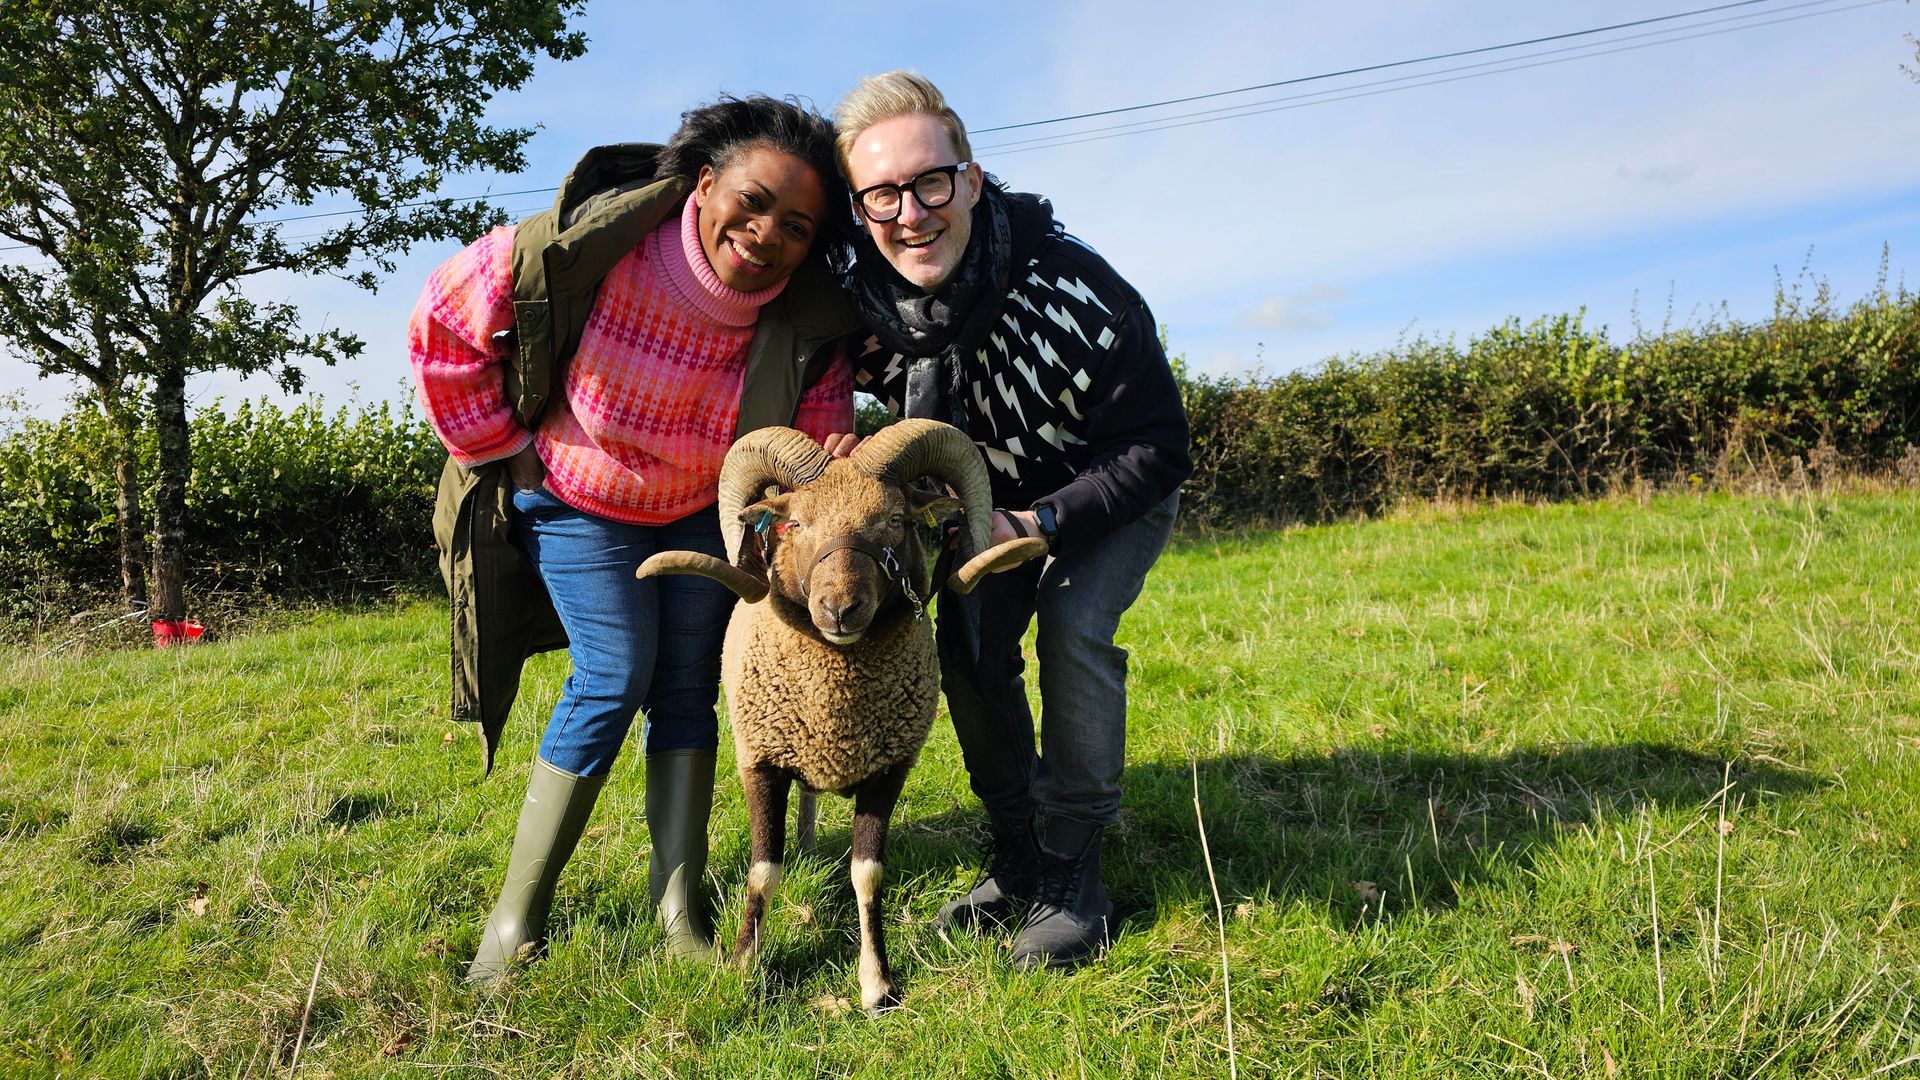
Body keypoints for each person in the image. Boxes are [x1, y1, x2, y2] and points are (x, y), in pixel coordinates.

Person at [409, 96, 858, 987]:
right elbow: (443, 324)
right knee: (615, 674)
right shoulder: (590, 247)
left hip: (702, 512)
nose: (767, 233)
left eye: (798, 226)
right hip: (579, 499)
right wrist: (504, 449)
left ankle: (680, 909)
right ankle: (515, 919)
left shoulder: (812, 319)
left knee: (687, 686)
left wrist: (823, 467)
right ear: (703, 184)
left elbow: (811, 437)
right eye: (755, 201)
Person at [830, 71, 1192, 969]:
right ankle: (1021, 850)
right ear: (859, 206)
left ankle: (1076, 865)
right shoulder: (861, 308)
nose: (910, 213)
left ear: (973, 177)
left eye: (930, 182)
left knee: (1073, 628)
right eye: (882, 193)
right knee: (967, 648)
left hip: (1106, 489)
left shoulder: (1080, 292)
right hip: (981, 502)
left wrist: (1046, 519)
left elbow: (1160, 443)